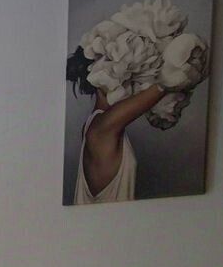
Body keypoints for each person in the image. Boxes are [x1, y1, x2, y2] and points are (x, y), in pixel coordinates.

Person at [67, 46, 166, 204]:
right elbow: (167, 82)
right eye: (113, 65)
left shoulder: (96, 124)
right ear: (95, 75)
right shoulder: (102, 128)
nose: (125, 73)